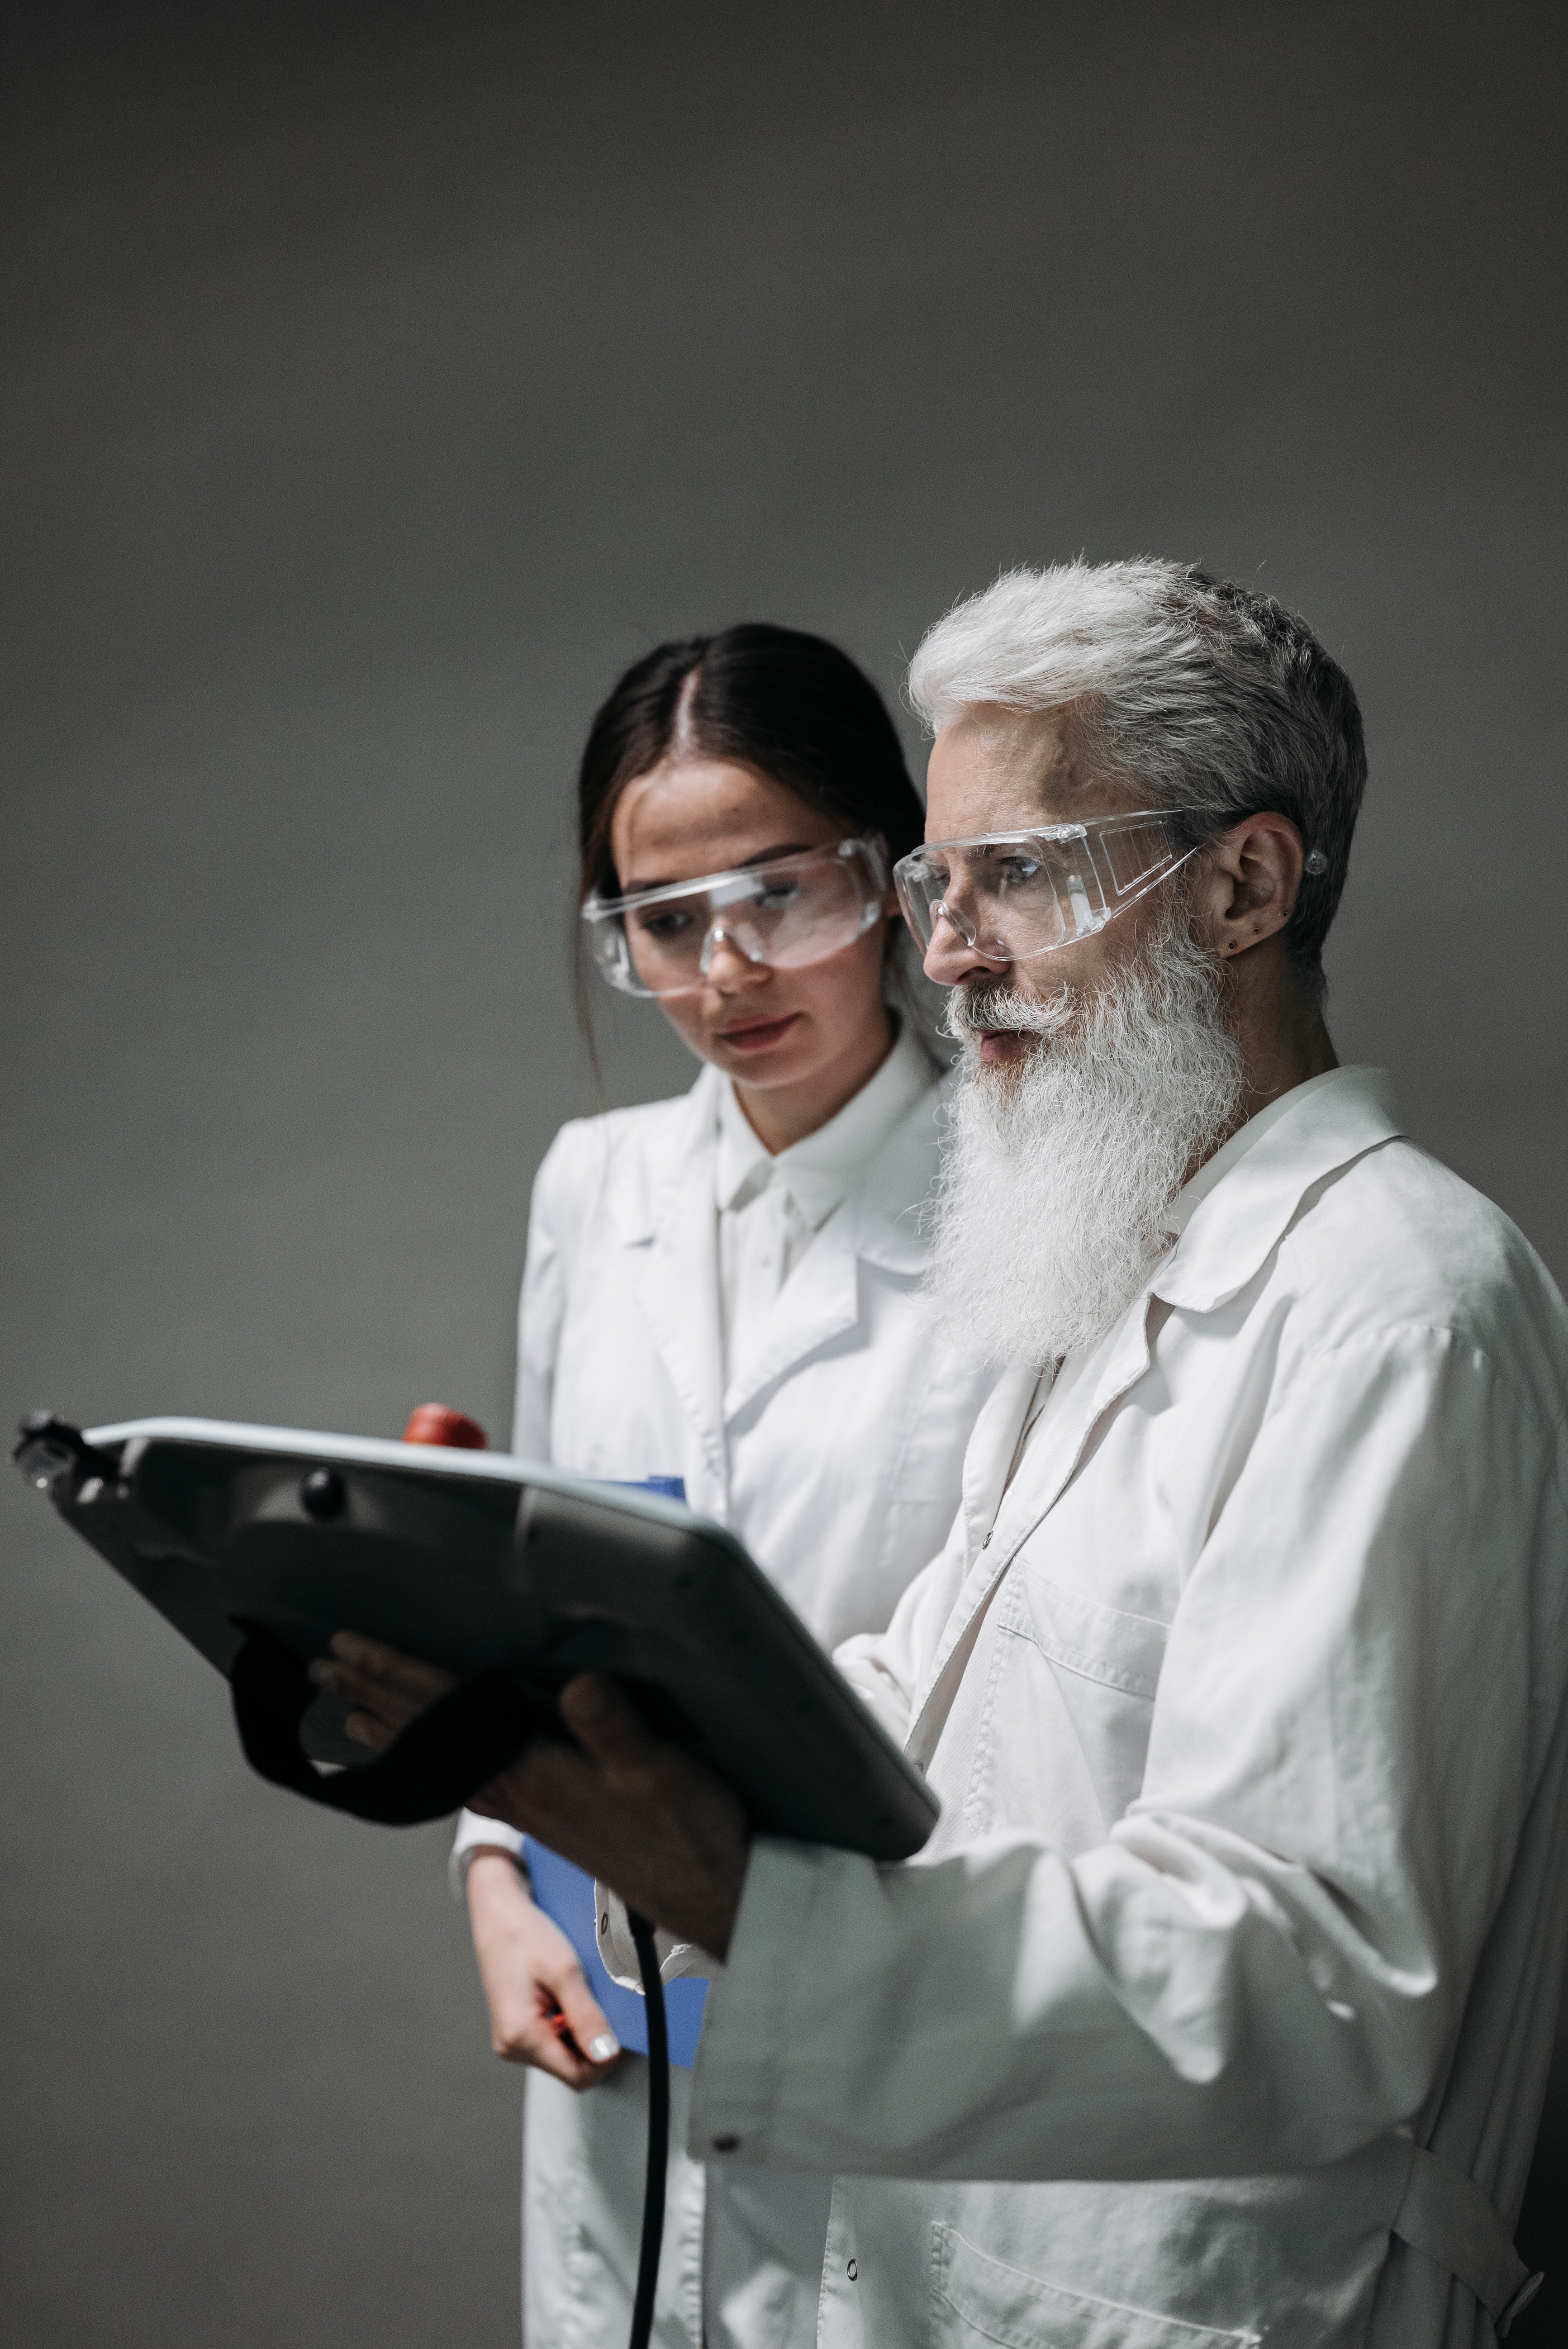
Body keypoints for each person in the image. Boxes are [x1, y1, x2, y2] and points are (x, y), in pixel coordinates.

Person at [325, 562, 1568, 2347]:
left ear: (1245, 882)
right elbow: (934, 1710)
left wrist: (728, 1877)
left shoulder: (1396, 1303)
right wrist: (554, 1732)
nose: (954, 945)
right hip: (955, 2255)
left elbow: (1304, 1977)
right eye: (943, 880)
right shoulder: (1123, 1253)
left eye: (1024, 873)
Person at [446, 623, 998, 2349]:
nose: (726, 968)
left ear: (894, 883)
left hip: (891, 1998)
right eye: (662, 923)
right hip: (606, 2016)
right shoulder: (589, 1186)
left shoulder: (1026, 1197)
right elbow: (528, 1581)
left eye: (784, 892)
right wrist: (488, 1876)